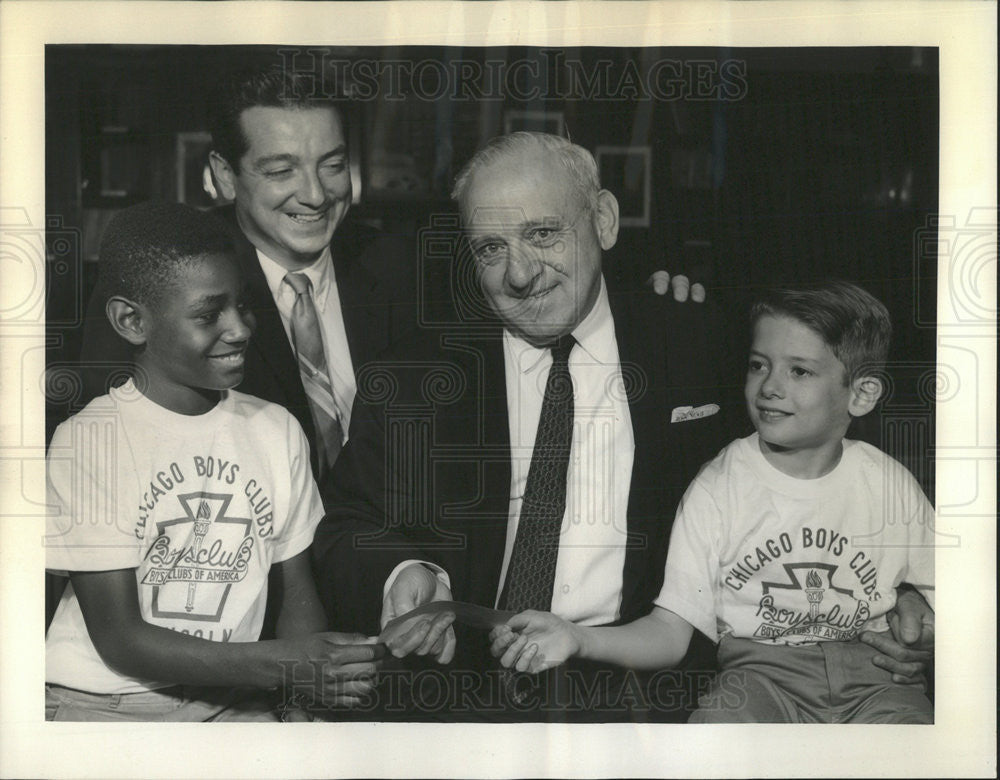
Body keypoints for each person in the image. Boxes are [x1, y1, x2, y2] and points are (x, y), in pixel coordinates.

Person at [312, 131, 741, 719]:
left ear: (605, 221)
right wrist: (402, 573)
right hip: (458, 689)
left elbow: (791, 478)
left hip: (634, 688)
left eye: (542, 234)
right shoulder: (417, 375)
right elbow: (348, 524)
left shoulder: (696, 342)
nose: (519, 273)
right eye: (491, 248)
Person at [489, 281, 936, 723]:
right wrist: (577, 637)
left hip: (876, 680)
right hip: (760, 681)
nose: (770, 387)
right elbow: (669, 632)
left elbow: (960, 603)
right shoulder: (718, 487)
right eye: (759, 365)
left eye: (799, 371)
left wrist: (930, 632)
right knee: (714, 737)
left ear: (861, 394)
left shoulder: (890, 485)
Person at [44, 202, 382, 721]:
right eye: (208, 315)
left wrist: (304, 689)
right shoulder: (91, 440)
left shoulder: (275, 429)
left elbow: (295, 593)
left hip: (233, 696)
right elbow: (120, 640)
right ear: (131, 320)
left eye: (243, 306)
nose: (241, 329)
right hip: (105, 701)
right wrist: (282, 668)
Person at [74, 63, 416, 485]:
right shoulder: (160, 280)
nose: (315, 195)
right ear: (224, 175)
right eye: (280, 171)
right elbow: (115, 461)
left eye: (332, 165)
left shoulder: (406, 270)